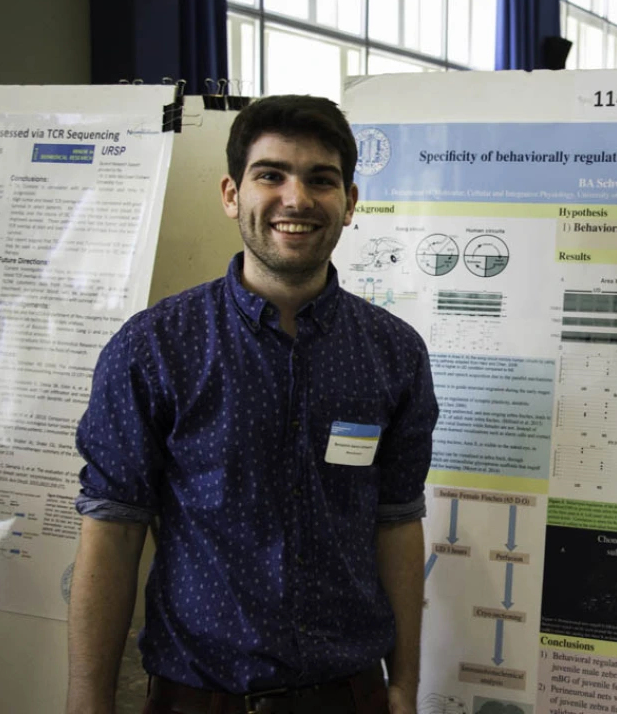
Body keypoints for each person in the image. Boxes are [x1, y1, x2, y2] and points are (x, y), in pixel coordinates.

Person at [67, 95, 438, 714]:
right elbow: (111, 530)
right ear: (231, 194)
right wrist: (87, 703)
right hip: (198, 698)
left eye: (321, 180)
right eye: (271, 175)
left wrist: (403, 686)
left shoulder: (395, 354)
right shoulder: (155, 347)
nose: (296, 199)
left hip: (350, 697)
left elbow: (397, 522)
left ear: (349, 203)